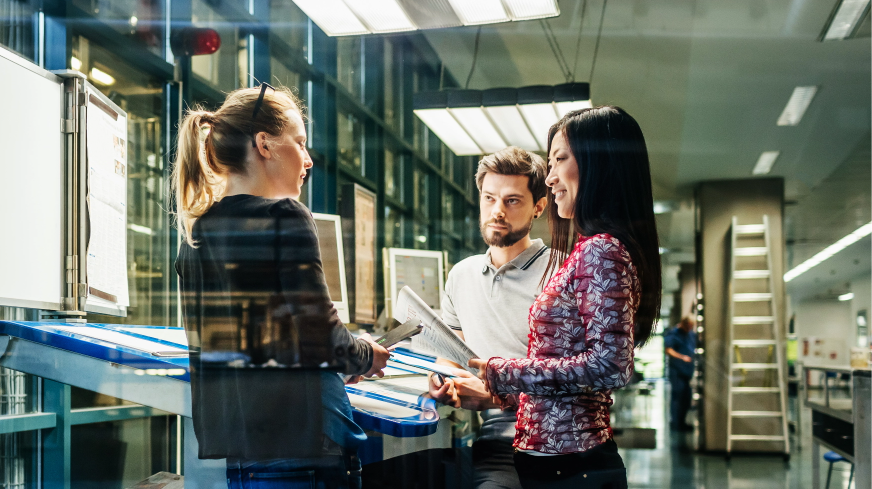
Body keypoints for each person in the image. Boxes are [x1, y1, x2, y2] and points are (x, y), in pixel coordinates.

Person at [172, 84, 390, 488]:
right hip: (304, 446)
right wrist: (364, 355)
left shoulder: (197, 235)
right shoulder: (286, 215)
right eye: (300, 142)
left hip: (244, 454)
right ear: (265, 144)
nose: (307, 160)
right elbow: (323, 339)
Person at [469, 106, 662, 489]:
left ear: (597, 163)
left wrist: (506, 372)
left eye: (560, 159)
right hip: (558, 465)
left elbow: (611, 366)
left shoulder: (602, 251)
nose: (551, 176)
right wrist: (502, 393)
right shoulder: (590, 249)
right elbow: (566, 380)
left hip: (573, 468)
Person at [428, 147, 549, 489]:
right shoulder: (461, 275)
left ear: (538, 207)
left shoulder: (561, 273)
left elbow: (574, 379)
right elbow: (452, 355)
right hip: (498, 443)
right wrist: (445, 380)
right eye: (489, 198)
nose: (497, 211)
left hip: (553, 443)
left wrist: (494, 394)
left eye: (512, 201)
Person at [665, 316, 696, 431]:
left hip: (687, 371)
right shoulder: (674, 333)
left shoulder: (691, 335)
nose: (690, 328)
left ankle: (682, 421)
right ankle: (676, 423)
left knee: (686, 398)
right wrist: (682, 357)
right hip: (677, 371)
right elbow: (668, 349)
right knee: (677, 397)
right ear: (683, 323)